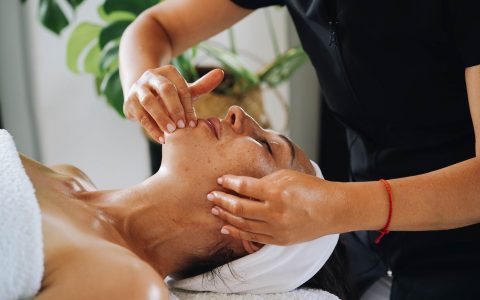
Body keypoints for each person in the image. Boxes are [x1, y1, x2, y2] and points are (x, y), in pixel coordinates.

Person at [119, 1, 480, 299]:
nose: (236, 114)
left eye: (266, 145)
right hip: (367, 232)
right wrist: (144, 86)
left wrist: (340, 206)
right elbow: (155, 27)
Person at [19, 107, 348, 299]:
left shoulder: (128, 285)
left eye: (265, 145)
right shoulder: (67, 177)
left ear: (256, 227)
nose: (238, 112)